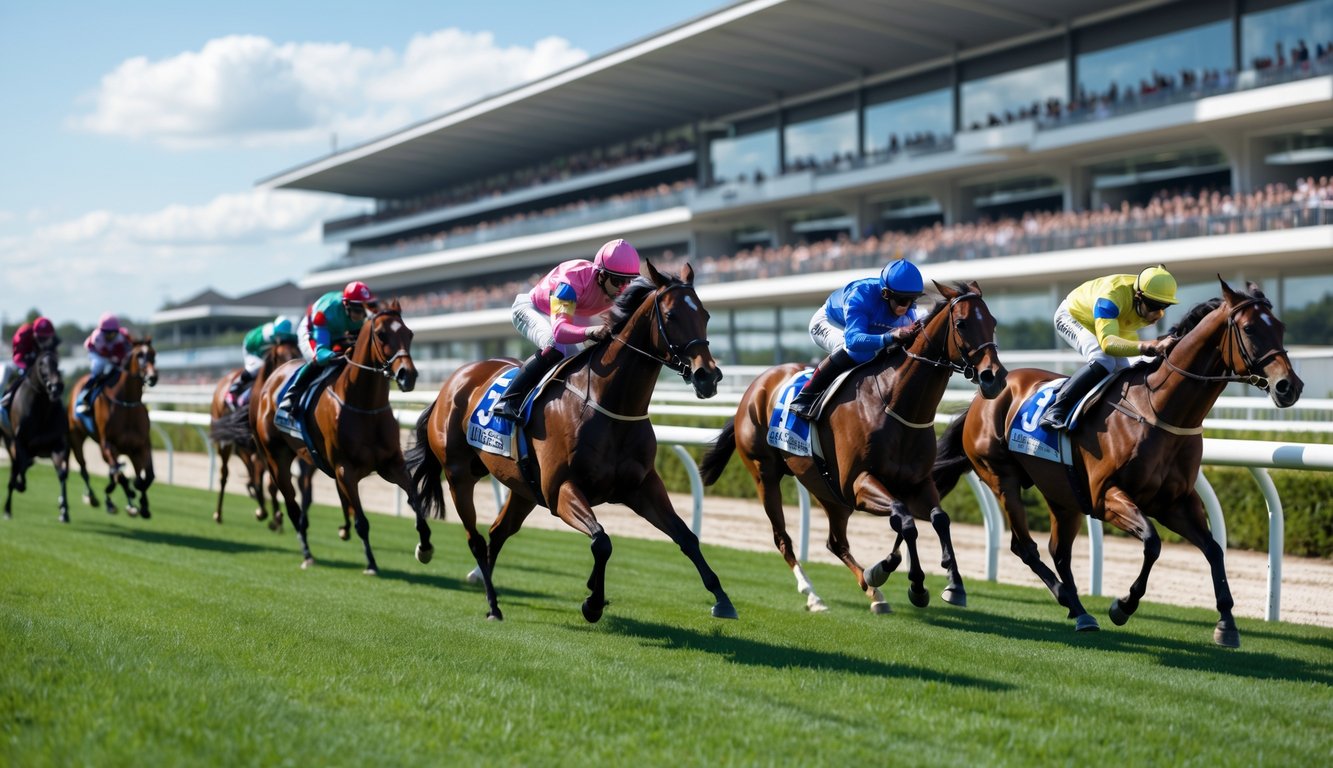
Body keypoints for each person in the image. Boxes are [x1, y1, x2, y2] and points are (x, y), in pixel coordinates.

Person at [490, 239, 641, 421]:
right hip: (533, 309)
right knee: (555, 346)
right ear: (601, 275)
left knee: (583, 361)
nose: (623, 288)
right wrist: (591, 331)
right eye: (617, 281)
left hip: (570, 315)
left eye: (628, 281)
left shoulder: (623, 288)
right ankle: (508, 400)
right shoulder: (571, 280)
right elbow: (560, 332)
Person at [1039, 264, 1179, 430]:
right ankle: (1056, 408)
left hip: (1110, 325)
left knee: (1126, 373)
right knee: (1103, 360)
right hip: (1073, 316)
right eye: (1154, 306)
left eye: (1164, 306)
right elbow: (1107, 343)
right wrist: (1146, 346)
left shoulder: (1143, 302)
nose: (1158, 313)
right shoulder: (1111, 297)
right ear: (1138, 296)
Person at [787, 259, 929, 418]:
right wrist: (890, 336)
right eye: (902, 300)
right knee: (854, 351)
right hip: (831, 322)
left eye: (913, 300)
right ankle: (806, 396)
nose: (907, 306)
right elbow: (853, 340)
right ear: (886, 294)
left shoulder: (907, 306)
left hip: (868, 327)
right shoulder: (860, 294)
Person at [280, 281, 377, 419]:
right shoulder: (327, 310)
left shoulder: (358, 315)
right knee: (318, 360)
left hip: (336, 332)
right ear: (346, 305)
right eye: (357, 310)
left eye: (364, 310)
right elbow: (321, 351)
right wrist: (329, 354)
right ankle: (291, 396)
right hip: (312, 331)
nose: (361, 315)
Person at [228, 315, 297, 403]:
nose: (283, 338)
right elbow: (250, 346)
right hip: (252, 350)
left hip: (267, 350)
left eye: (285, 336)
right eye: (281, 336)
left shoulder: (289, 336)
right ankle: (235, 387)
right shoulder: (266, 335)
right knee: (257, 367)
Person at [77, 313, 132, 415]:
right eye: (108, 334)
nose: (111, 336)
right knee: (99, 367)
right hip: (96, 353)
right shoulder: (97, 337)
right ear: (102, 331)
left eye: (113, 333)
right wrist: (117, 358)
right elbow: (105, 354)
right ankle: (84, 395)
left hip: (111, 355)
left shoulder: (122, 335)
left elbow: (127, 350)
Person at [2, 317, 60, 410]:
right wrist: (30, 367)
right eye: (42, 339)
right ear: (34, 335)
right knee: (23, 375)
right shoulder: (23, 335)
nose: (45, 343)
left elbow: (55, 356)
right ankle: (9, 395)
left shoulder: (53, 339)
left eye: (47, 339)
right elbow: (17, 359)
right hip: (24, 360)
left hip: (41, 363)